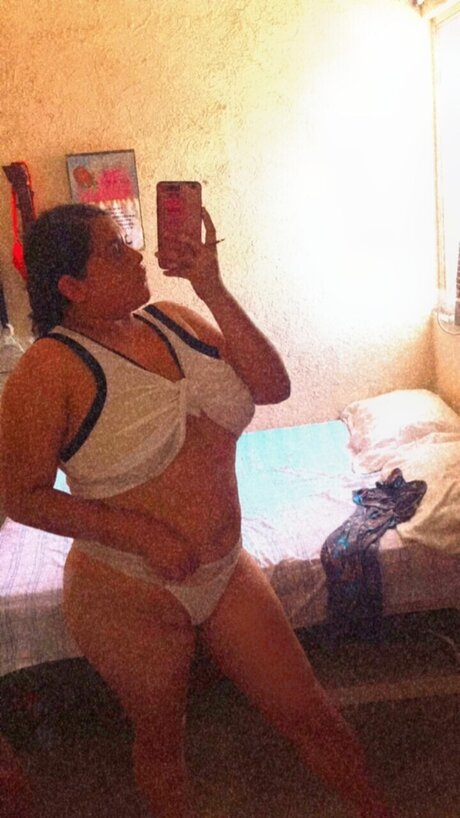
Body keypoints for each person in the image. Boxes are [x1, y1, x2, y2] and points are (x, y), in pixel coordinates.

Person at [0, 203, 396, 818]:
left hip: (223, 569)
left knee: (311, 714)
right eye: (113, 250)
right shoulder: (49, 368)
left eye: (127, 242)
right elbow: (19, 494)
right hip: (129, 589)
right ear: (71, 286)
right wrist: (137, 533)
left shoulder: (172, 318)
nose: (136, 254)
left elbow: (273, 387)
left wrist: (211, 286)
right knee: (164, 745)